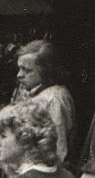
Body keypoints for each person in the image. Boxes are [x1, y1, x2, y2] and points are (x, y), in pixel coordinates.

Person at [8, 37, 77, 167]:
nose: (19, 75)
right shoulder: (33, 93)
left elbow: (59, 149)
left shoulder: (54, 99)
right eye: (19, 69)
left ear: (46, 70)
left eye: (27, 70)